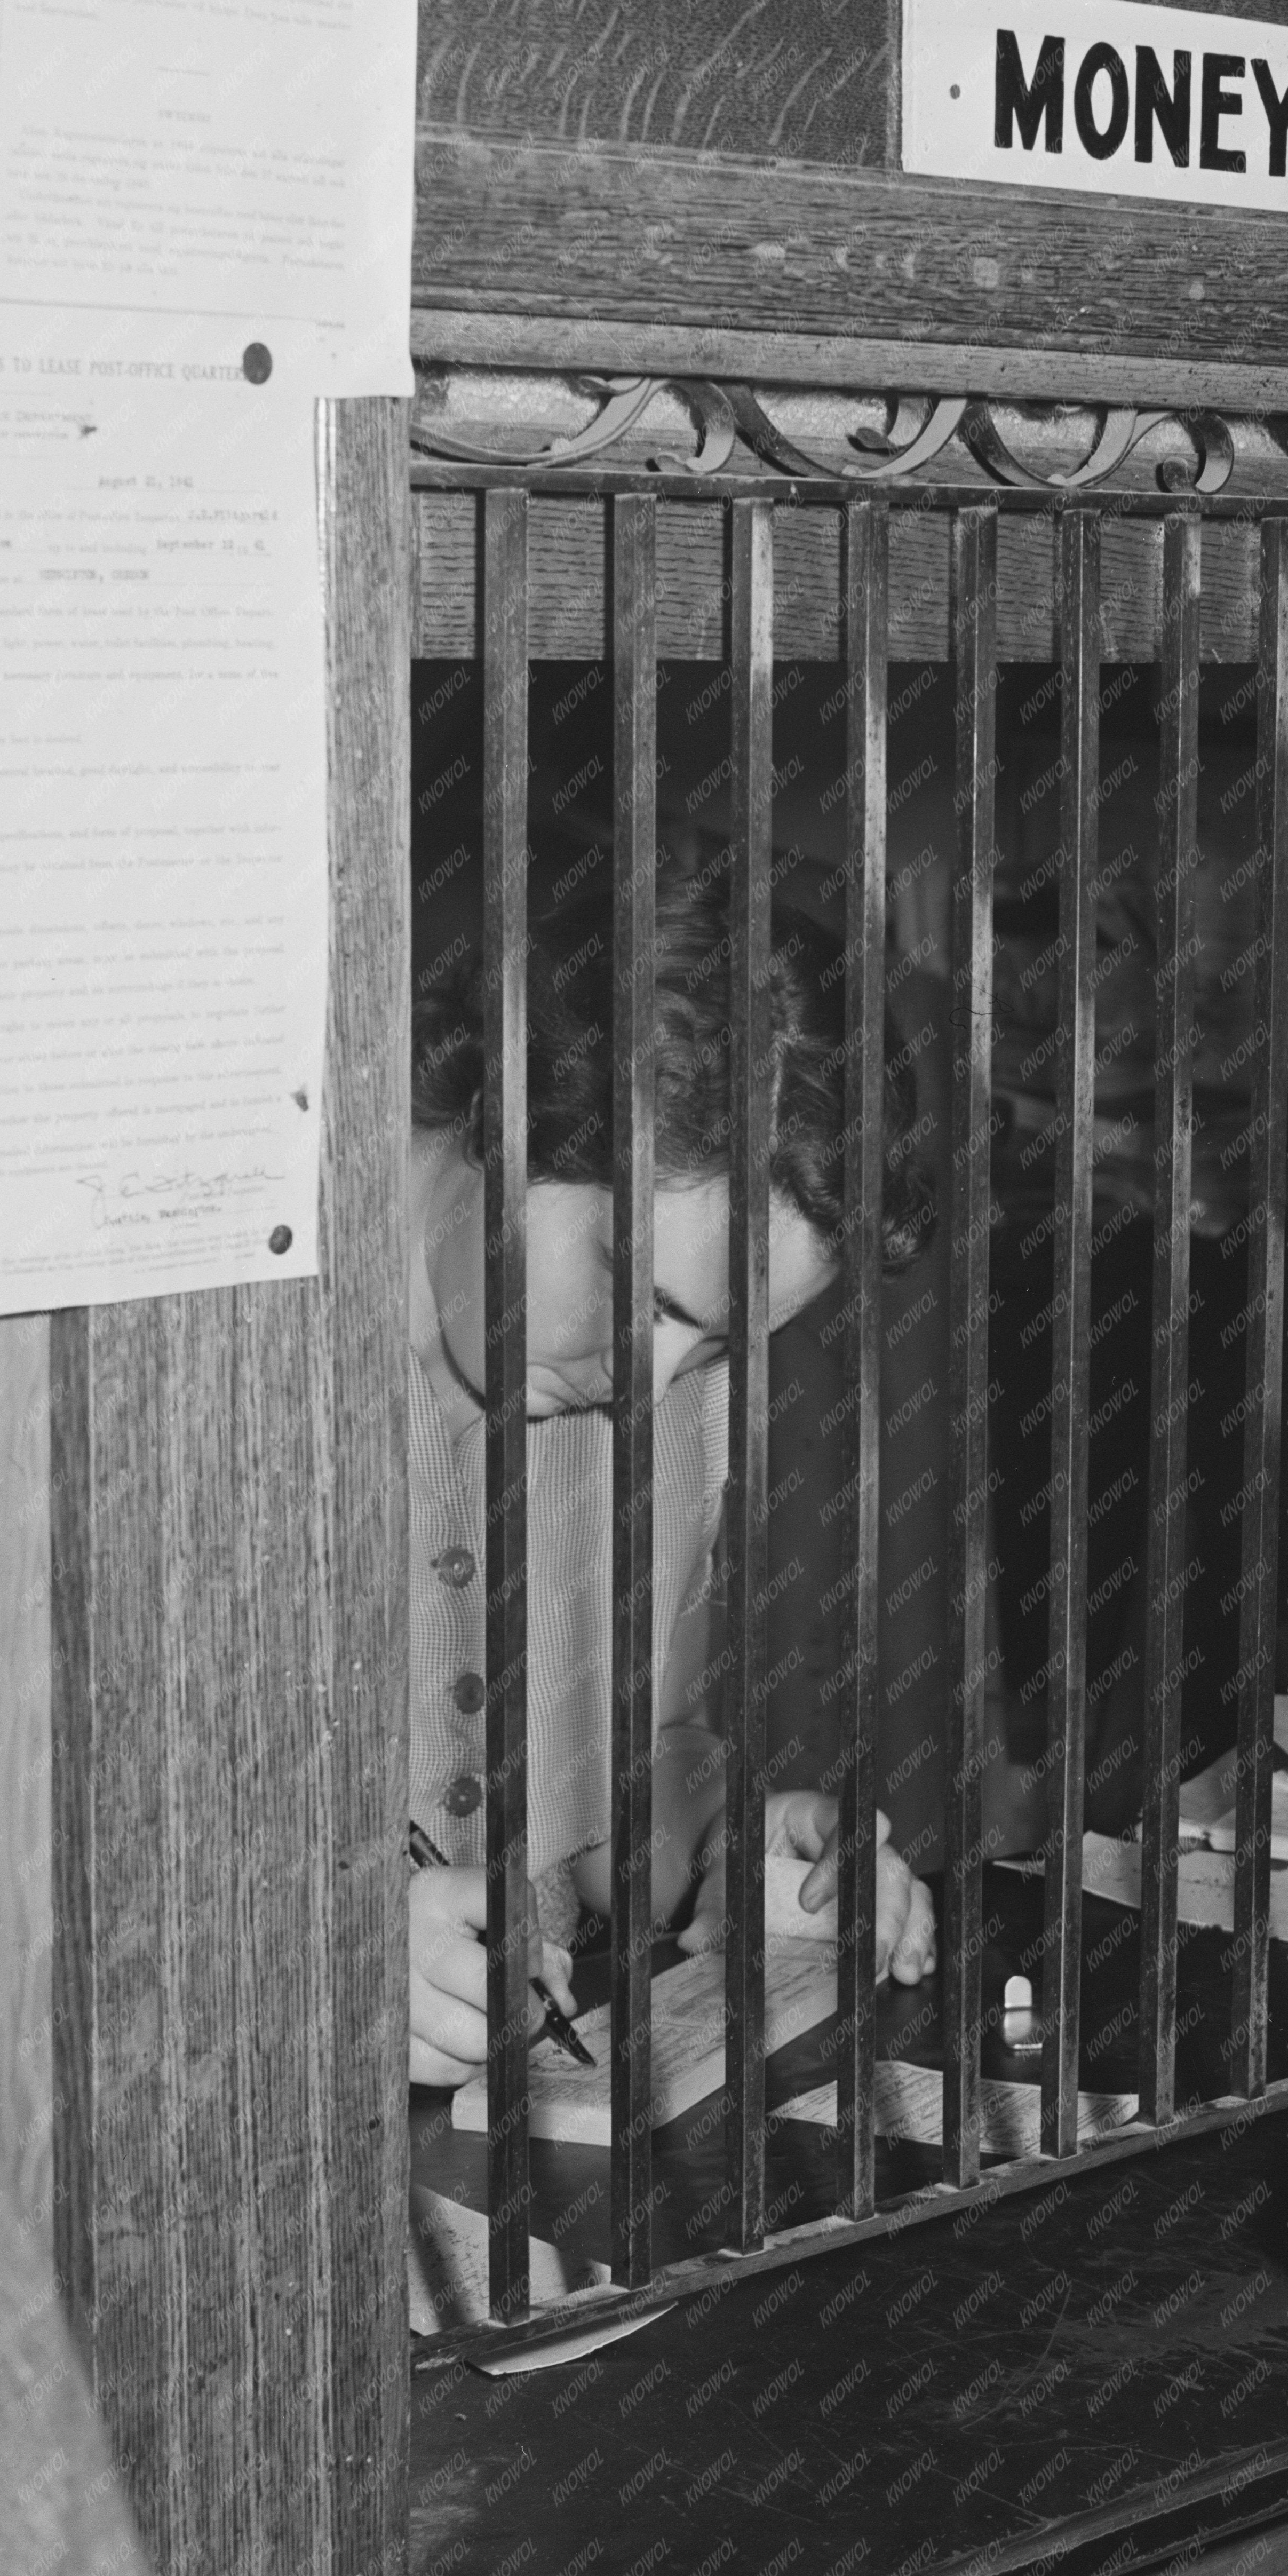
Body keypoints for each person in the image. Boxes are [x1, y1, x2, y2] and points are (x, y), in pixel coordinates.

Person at [404, 848, 938, 2086]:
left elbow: (622, 1768)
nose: (650, 1387)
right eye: (642, 1296)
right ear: (517, 1112)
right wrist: (303, 1942)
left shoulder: (674, 1385)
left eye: (713, 1344)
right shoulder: (203, 1346)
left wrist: (724, 1852)